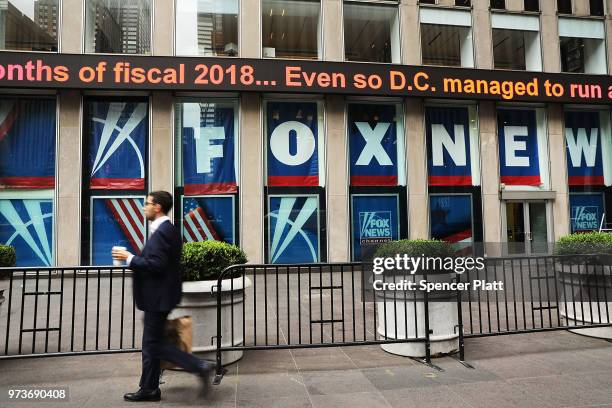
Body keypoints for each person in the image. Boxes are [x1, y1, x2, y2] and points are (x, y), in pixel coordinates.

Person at [112, 191, 212, 402]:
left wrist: (129, 258)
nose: (144, 207)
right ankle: (150, 388)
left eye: (147, 204)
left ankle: (198, 366)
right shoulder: (166, 230)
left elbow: (156, 265)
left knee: (153, 345)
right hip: (159, 297)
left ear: (157, 207)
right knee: (151, 345)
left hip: (157, 298)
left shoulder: (164, 231)